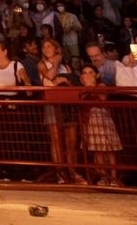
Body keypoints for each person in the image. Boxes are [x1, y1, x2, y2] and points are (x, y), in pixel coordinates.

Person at [38, 38, 83, 184]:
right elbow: (50, 76)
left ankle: (73, 171)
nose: (46, 49)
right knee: (56, 140)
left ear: (57, 48)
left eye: (49, 46)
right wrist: (56, 63)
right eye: (44, 47)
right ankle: (60, 173)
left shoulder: (67, 67)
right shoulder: (42, 64)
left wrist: (63, 80)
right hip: (52, 103)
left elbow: (71, 82)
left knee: (71, 141)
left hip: (67, 103)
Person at [78, 65, 122, 186]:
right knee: (97, 150)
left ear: (97, 75)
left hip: (102, 118)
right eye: (85, 72)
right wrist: (86, 88)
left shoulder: (101, 85)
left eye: (90, 72)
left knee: (109, 149)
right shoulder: (81, 89)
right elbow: (80, 100)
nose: (87, 75)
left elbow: (103, 97)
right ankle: (103, 176)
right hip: (89, 120)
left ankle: (113, 177)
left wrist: (91, 87)